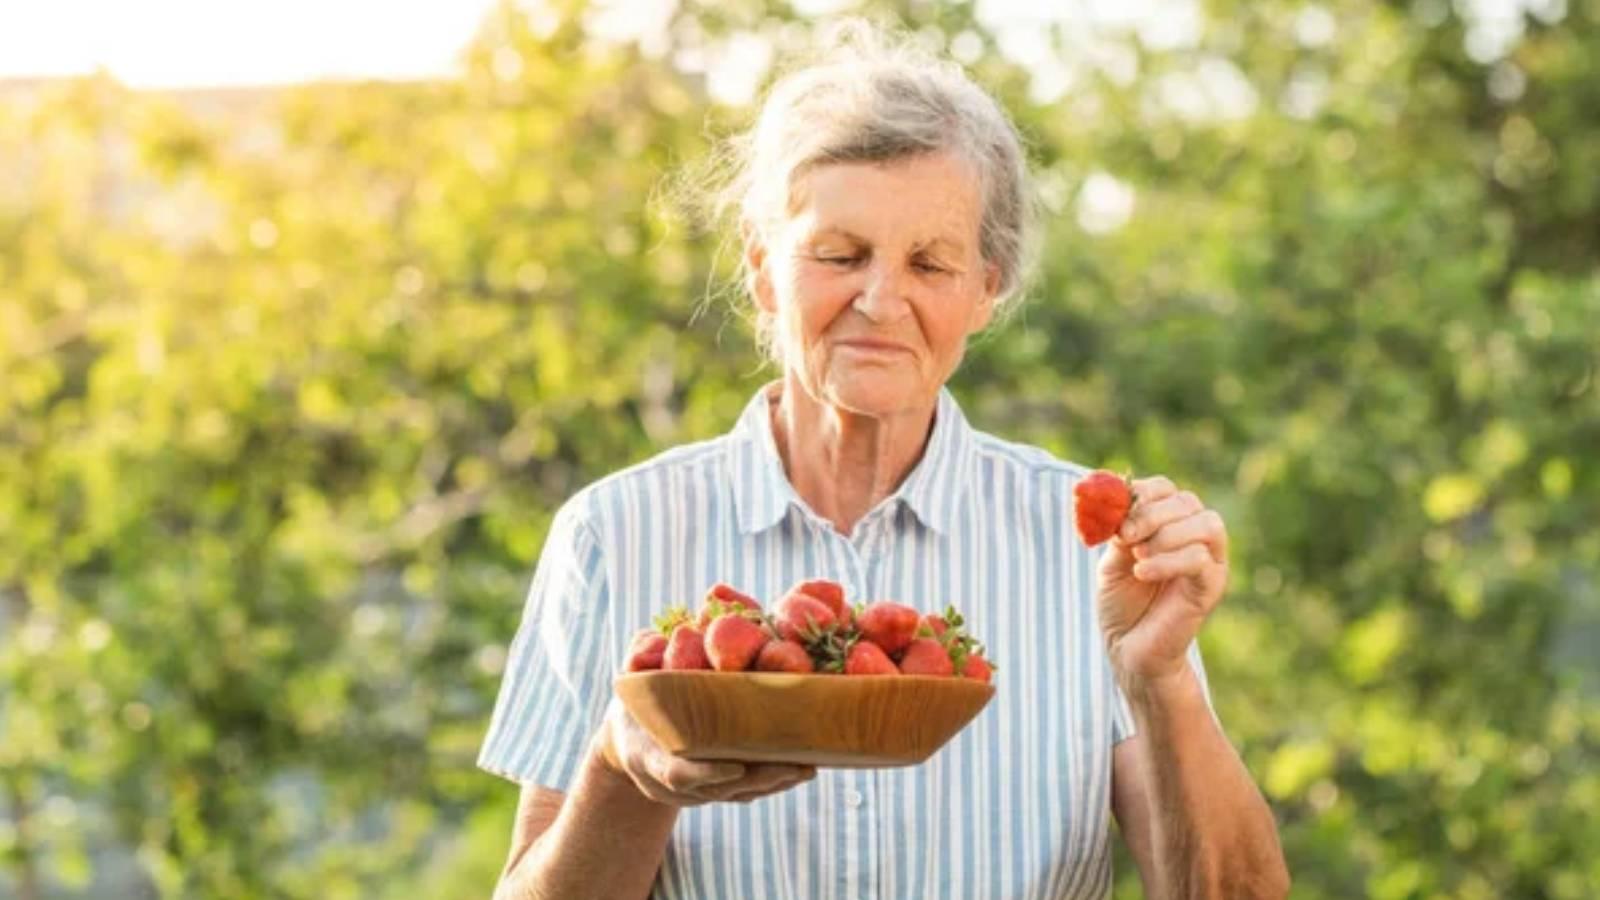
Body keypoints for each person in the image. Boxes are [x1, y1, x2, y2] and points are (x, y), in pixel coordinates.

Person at [478, 20, 1289, 900]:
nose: (880, 299)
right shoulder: (615, 532)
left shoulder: (1094, 553)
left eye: (931, 264)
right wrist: (622, 769)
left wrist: (1160, 676)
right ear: (761, 269)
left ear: (987, 289)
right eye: (838, 254)